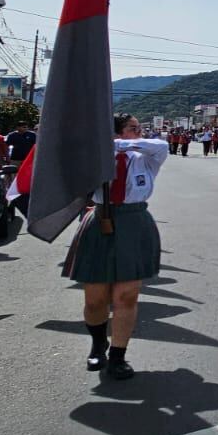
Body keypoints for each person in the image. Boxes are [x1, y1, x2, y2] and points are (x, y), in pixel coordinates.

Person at [64, 114, 168, 380]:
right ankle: (99, 343)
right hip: (101, 218)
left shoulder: (145, 157)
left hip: (134, 221)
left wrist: (117, 143)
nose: (140, 132)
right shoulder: (96, 157)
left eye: (138, 129)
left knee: (126, 296)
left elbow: (160, 146)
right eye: (133, 129)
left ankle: (118, 356)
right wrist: (101, 148)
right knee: (95, 298)